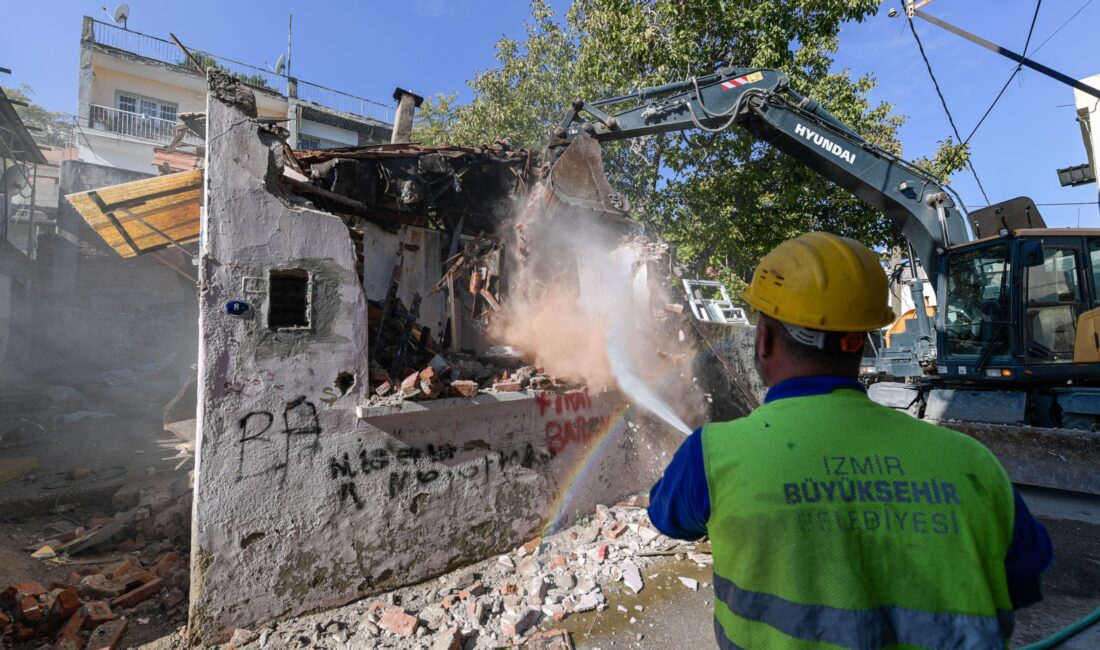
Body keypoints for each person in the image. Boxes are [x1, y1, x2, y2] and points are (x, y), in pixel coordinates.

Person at [648, 231, 1052, 649]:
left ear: (764, 339)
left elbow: (668, 517)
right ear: (860, 341)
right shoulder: (972, 462)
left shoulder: (712, 454)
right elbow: (1022, 583)